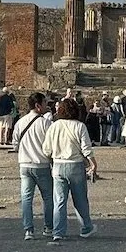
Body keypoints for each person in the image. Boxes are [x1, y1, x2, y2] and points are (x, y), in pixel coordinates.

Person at [42, 97, 98, 242]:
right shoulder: (80, 126)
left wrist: (51, 161)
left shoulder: (54, 126)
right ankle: (86, 227)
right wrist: (93, 163)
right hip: (75, 164)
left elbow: (46, 149)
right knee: (80, 199)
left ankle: (58, 232)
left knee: (59, 201)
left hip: (58, 165)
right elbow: (86, 148)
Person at [13, 92, 53, 240]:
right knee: (48, 197)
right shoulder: (46, 123)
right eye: (44, 103)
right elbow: (51, 145)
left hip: (24, 164)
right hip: (41, 164)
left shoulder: (20, 122)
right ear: (38, 105)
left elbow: (15, 144)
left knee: (26, 198)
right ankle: (48, 227)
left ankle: (28, 230)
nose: (46, 106)